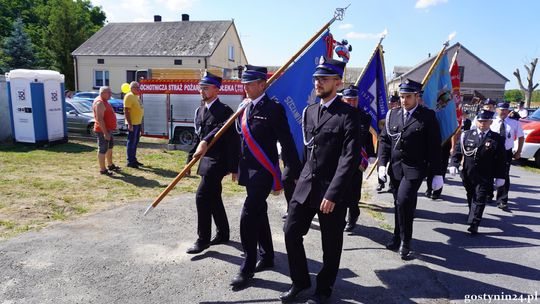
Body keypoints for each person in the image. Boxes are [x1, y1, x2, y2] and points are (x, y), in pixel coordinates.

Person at [280, 57, 360, 304]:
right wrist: (296, 179)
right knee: (290, 232)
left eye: (323, 79)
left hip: (331, 192)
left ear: (337, 82)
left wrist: (333, 194)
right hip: (306, 186)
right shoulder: (310, 111)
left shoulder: (349, 115)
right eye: (316, 79)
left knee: (331, 243)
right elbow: (307, 152)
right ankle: (300, 281)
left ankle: (323, 289)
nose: (318, 83)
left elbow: (349, 159)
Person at [231, 65, 301, 289]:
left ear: (263, 84)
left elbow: (287, 140)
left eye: (250, 83)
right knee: (259, 211)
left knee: (248, 215)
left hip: (264, 170)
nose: (246, 87)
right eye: (244, 83)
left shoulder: (273, 108)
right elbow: (232, 135)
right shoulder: (244, 106)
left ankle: (247, 266)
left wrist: (293, 170)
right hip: (247, 169)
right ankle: (268, 255)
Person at [377, 79, 443, 259]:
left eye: (408, 97)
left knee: (403, 201)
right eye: (402, 97)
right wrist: (382, 164)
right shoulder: (393, 114)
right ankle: (397, 236)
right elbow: (384, 141)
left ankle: (406, 242)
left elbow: (434, 146)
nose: (404, 101)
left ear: (417, 96)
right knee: (400, 204)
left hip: (415, 168)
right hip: (396, 168)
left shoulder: (427, 116)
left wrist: (437, 173)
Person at [184, 72, 239, 254]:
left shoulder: (225, 111)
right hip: (205, 161)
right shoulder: (200, 111)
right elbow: (198, 138)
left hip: (218, 161)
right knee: (214, 197)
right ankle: (223, 233)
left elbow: (230, 141)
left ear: (217, 89)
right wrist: (188, 161)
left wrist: (234, 167)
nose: (202, 91)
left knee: (202, 196)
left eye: (206, 87)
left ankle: (203, 240)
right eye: (201, 87)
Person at [449, 110, 505, 234]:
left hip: (485, 174)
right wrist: (453, 164)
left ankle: (475, 222)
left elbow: (501, 159)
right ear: (476, 121)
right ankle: (472, 212)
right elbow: (458, 151)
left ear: (490, 122)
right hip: (468, 172)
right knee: (471, 194)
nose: (482, 124)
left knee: (480, 197)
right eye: (480, 121)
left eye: (485, 121)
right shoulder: (467, 134)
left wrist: (500, 176)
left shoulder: (497, 138)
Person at [341, 85, 375, 232]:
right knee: (340, 191)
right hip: (339, 159)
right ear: (343, 99)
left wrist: (371, 154)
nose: (351, 103)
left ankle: (353, 216)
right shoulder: (337, 114)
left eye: (353, 100)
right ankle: (339, 218)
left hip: (355, 159)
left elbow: (361, 137)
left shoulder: (364, 117)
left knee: (354, 193)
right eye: (348, 100)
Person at [491, 102, 524, 209]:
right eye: (501, 109)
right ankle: (487, 194)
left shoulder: (514, 123)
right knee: (487, 173)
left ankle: (502, 200)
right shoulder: (491, 121)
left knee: (504, 175)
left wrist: (518, 151)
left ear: (508, 111)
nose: (503, 112)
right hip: (491, 151)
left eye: (505, 110)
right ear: (496, 110)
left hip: (506, 152)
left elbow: (521, 137)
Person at [92, 86, 119, 175]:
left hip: (109, 130)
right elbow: (100, 119)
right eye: (109, 93)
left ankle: (110, 165)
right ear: (103, 93)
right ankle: (103, 169)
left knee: (109, 148)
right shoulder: (99, 103)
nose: (111, 94)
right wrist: (105, 133)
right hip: (103, 130)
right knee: (103, 149)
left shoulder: (104, 101)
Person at [376, 94, 400, 192]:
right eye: (390, 103)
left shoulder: (399, 113)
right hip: (383, 140)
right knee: (381, 162)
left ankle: (391, 184)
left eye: (393, 103)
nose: (391, 105)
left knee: (393, 164)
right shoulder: (385, 112)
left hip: (394, 143)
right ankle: (380, 182)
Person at [124, 81, 144, 168]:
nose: (139, 89)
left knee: (135, 142)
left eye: (139, 87)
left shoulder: (136, 96)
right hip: (132, 123)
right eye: (137, 87)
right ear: (132, 88)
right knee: (131, 142)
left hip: (137, 122)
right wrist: (129, 124)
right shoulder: (129, 96)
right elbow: (126, 111)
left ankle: (134, 159)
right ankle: (130, 161)